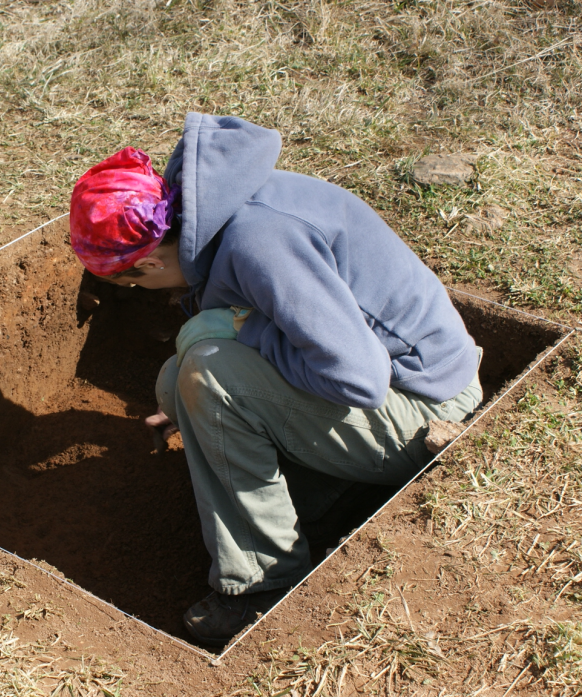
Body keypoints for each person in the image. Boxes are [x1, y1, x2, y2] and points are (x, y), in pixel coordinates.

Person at [68, 113, 483, 646]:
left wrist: (236, 330)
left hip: (426, 407)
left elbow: (361, 380)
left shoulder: (259, 242)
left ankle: (262, 585)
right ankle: (320, 491)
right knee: (181, 380)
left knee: (209, 373)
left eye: (133, 283)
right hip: (394, 385)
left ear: (146, 263)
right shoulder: (218, 211)